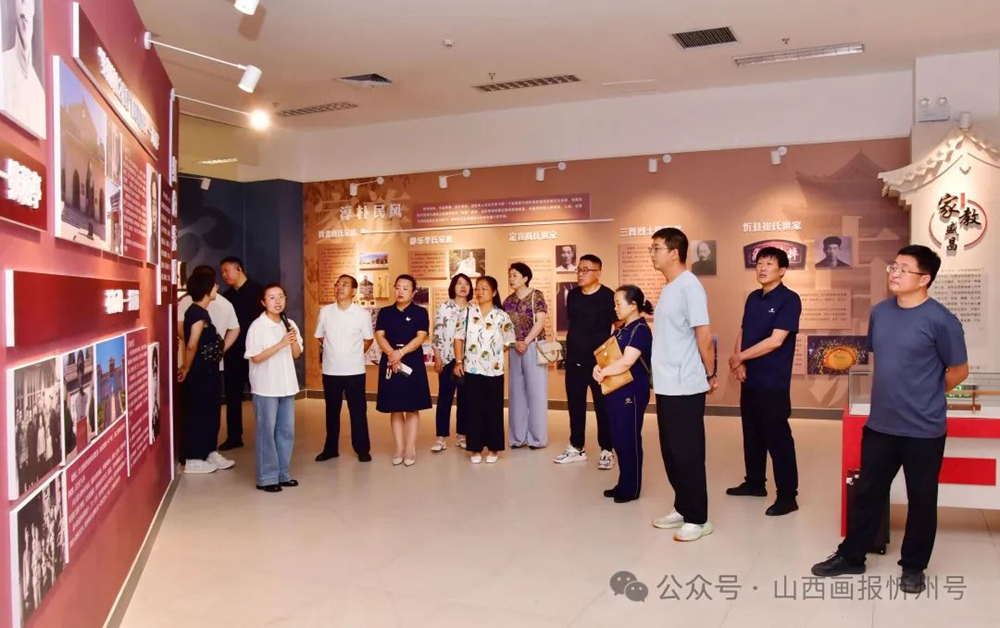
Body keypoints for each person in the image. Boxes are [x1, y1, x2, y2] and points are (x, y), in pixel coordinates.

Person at [812, 245, 968, 594]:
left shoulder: (941, 320)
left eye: (903, 269)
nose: (894, 273)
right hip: (881, 424)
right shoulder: (880, 313)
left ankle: (913, 566)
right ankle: (852, 556)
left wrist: (929, 394)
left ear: (924, 279)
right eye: (893, 267)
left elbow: (959, 370)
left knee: (921, 499)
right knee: (869, 492)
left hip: (923, 429)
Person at [648, 227, 718, 542]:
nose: (652, 253)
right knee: (671, 452)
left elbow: (704, 335)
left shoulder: (690, 286)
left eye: (656, 248)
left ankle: (698, 518)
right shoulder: (669, 287)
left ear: (674, 252)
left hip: (686, 384)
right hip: (666, 384)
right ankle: (682, 506)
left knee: (688, 453)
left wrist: (710, 373)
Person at [726, 247, 802, 516]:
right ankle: (755, 483)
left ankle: (787, 496)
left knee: (778, 439)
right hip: (750, 379)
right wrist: (739, 361)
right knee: (752, 434)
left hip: (773, 382)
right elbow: (743, 330)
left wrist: (739, 357)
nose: (762, 268)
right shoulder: (752, 298)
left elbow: (776, 340)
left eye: (769, 263)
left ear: (782, 270)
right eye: (759, 263)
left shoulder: (789, 299)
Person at [554, 254, 617, 469]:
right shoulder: (573, 295)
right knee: (575, 405)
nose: (580, 274)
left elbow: (618, 325)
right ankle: (576, 446)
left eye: (585, 270)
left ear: (597, 273)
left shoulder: (608, 296)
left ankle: (607, 449)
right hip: (575, 360)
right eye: (578, 269)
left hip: (599, 363)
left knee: (603, 406)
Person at [593, 285, 654, 503]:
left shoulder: (640, 330)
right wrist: (598, 368)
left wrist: (603, 372)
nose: (615, 308)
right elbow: (608, 356)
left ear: (633, 305)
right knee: (618, 438)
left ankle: (631, 488)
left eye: (619, 303)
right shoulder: (621, 330)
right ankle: (623, 483)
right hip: (615, 390)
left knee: (629, 439)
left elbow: (627, 361)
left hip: (632, 391)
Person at [245, 284, 303, 492]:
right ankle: (267, 478)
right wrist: (280, 344)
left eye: (281, 297)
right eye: (271, 298)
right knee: (266, 434)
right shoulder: (257, 326)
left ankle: (282, 474)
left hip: (286, 386)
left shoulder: (290, 323)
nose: (277, 301)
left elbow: (296, 354)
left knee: (286, 432)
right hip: (266, 387)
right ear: (263, 302)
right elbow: (255, 357)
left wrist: (292, 340)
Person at [177, 271, 235, 474]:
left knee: (211, 412)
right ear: (206, 289)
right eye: (214, 284)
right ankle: (194, 457)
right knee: (199, 413)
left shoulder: (201, 311)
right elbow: (191, 344)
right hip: (200, 373)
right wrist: (186, 367)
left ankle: (208, 451)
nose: (217, 287)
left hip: (209, 372)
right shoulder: (197, 314)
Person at [454, 276, 515, 464]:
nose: (479, 292)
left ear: (494, 292)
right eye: (478, 288)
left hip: (494, 370)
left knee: (493, 409)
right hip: (472, 369)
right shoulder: (467, 312)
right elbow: (458, 338)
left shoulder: (501, 316)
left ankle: (493, 448)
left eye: (484, 289)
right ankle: (475, 448)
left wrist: (493, 354)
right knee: (473, 409)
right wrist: (458, 361)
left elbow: (508, 341)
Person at [314, 275, 374, 462]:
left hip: (355, 371)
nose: (339, 288)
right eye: (337, 285)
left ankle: (362, 449)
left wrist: (353, 353)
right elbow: (320, 336)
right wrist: (334, 350)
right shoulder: (325, 311)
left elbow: (368, 339)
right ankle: (331, 449)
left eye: (345, 285)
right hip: (331, 371)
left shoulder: (362, 314)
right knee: (331, 412)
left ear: (354, 291)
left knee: (358, 412)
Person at [374, 275, 432, 466]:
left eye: (406, 288)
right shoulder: (385, 312)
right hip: (390, 360)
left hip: (411, 360)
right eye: (398, 287)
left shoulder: (420, 312)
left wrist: (401, 352)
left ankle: (410, 448)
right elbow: (379, 335)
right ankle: (399, 447)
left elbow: (420, 337)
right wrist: (392, 353)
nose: (401, 291)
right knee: (395, 406)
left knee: (411, 406)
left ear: (413, 292)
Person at [220, 257, 264, 450]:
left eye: (226, 270)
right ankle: (234, 436)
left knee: (261, 395)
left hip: (257, 353)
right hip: (234, 353)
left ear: (239, 269)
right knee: (233, 396)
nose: (224, 275)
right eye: (222, 272)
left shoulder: (259, 292)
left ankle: (265, 435)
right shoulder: (226, 297)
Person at [503, 262, 549, 449]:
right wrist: (515, 343)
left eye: (515, 275)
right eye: (510, 275)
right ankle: (517, 438)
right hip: (515, 348)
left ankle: (537, 438)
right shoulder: (508, 301)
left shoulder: (536, 295)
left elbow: (540, 321)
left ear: (525, 278)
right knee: (516, 393)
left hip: (534, 346)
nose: (511, 278)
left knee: (536, 393)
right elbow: (505, 328)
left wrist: (526, 341)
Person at [431, 273, 472, 451]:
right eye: (459, 283)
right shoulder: (444, 307)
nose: (463, 287)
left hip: (468, 361)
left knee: (465, 399)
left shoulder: (474, 309)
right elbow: (437, 333)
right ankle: (441, 437)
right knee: (444, 398)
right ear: (453, 287)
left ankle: (461, 435)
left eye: (466, 284)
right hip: (447, 358)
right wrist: (437, 357)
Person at [2, 0, 45, 137]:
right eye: (21, 2)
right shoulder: (3, 67)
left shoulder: (39, 94)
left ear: (34, 8)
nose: (24, 13)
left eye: (28, 2)